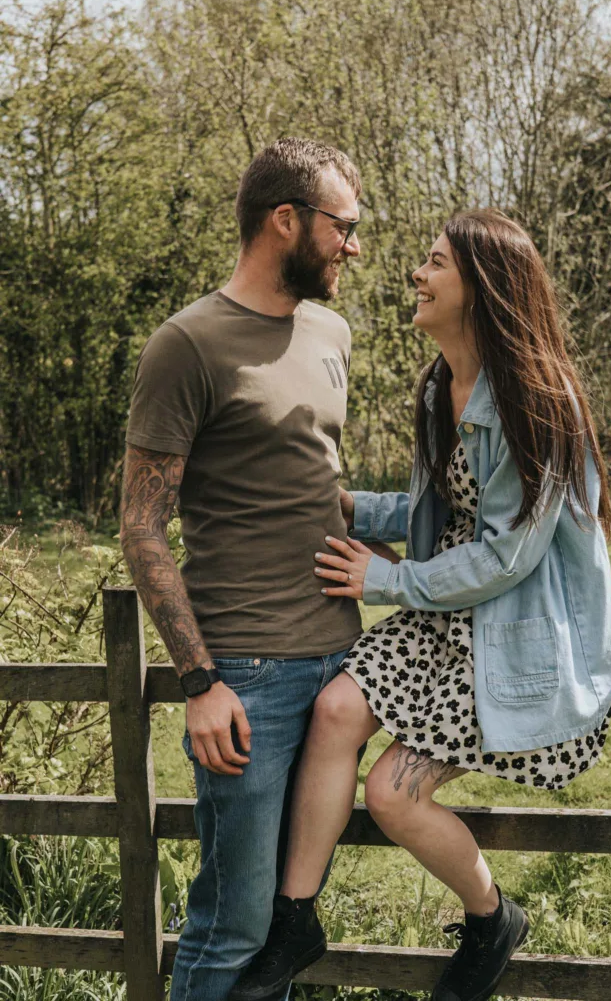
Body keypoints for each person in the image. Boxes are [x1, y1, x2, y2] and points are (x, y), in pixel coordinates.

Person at [230, 208, 611, 1001]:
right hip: (446, 611)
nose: (415, 273)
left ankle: (491, 918)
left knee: (391, 793)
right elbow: (439, 508)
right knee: (337, 710)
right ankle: (295, 920)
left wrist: (385, 582)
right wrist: (344, 509)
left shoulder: (536, 401)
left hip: (515, 631)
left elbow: (508, 554)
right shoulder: (441, 386)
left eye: (434, 262)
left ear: (481, 288)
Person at [119, 137, 366, 1001]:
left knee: (284, 934)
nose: (355, 246)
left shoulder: (332, 330)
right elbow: (141, 523)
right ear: (285, 220)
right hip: (248, 684)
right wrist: (200, 682)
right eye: (344, 226)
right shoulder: (186, 344)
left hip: (342, 669)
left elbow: (315, 485)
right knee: (234, 926)